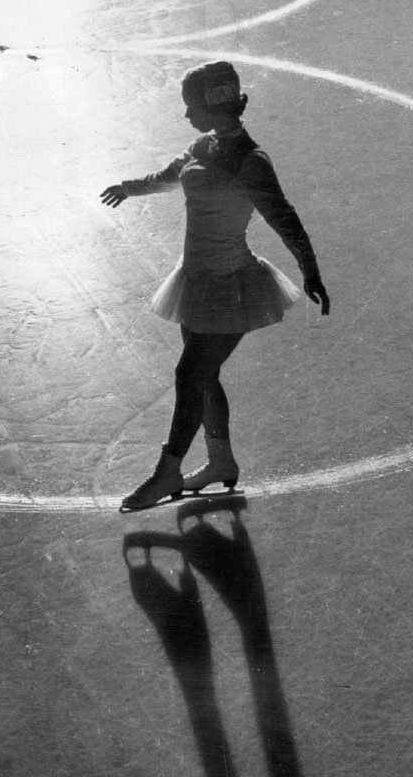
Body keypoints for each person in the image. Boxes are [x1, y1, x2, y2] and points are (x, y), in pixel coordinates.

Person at [100, 60, 330, 512]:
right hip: (196, 280)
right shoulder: (202, 145)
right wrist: (128, 188)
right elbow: (168, 176)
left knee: (190, 375)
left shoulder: (251, 162)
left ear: (213, 104)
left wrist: (310, 269)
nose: (186, 115)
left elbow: (284, 219)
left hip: (232, 284)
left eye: (191, 106)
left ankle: (168, 471)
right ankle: (221, 461)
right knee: (205, 377)